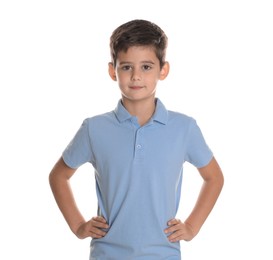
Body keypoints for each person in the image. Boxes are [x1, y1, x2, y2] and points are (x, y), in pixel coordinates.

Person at [49, 19, 224, 260]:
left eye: (146, 67)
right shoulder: (94, 128)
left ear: (163, 70)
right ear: (113, 71)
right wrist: (78, 226)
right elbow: (59, 175)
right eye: (126, 67)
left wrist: (192, 227)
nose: (136, 76)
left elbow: (214, 177)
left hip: (163, 254)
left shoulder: (184, 128)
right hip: (107, 254)